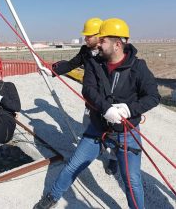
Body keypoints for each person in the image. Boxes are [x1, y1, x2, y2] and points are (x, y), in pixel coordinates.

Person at [34, 18, 160, 209]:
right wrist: (106, 108)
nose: (98, 43)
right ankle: (52, 196)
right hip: (98, 129)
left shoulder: (138, 67)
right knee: (73, 165)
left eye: (103, 40)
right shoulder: (94, 63)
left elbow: (153, 96)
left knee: (132, 182)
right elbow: (88, 89)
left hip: (127, 134)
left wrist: (130, 109)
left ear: (117, 44)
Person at [44, 17, 118, 175]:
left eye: (88, 36)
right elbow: (71, 64)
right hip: (91, 101)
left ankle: (113, 159)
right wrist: (52, 71)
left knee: (112, 132)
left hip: (108, 100)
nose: (85, 38)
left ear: (99, 36)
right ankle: (93, 150)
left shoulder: (109, 52)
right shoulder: (85, 51)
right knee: (88, 127)